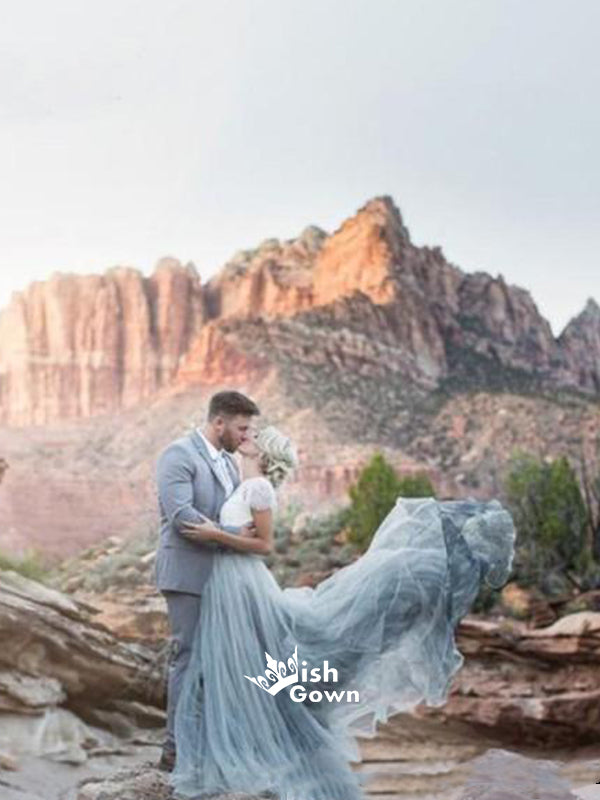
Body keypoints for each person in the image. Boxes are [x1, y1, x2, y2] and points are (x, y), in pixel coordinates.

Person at [169, 426, 517, 800]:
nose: (247, 436)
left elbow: (263, 544)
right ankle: (233, 748)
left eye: (255, 436)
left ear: (264, 454)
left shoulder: (258, 489)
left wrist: (216, 535)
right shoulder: (241, 481)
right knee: (240, 667)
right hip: (232, 582)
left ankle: (268, 760)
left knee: (259, 668)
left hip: (241, 578)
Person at [154, 389, 261, 771]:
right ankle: (174, 751)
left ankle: (207, 744)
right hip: (186, 573)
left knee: (217, 659)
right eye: (242, 428)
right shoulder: (178, 455)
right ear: (219, 422)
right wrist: (232, 533)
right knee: (189, 657)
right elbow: (181, 514)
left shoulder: (230, 464)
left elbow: (235, 508)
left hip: (221, 575)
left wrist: (236, 529)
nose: (246, 437)